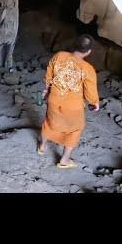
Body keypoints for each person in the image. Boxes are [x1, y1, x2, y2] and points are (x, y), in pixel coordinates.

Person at [38, 34, 100, 169]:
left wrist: (47, 89)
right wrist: (94, 102)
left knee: (49, 122)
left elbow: (49, 74)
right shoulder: (87, 68)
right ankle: (64, 161)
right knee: (75, 130)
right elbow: (90, 92)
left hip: (54, 98)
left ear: (74, 44)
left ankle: (42, 147)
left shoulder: (59, 56)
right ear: (89, 51)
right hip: (73, 106)